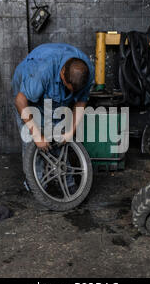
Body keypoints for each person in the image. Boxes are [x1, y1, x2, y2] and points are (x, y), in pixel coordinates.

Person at [12, 43, 94, 189]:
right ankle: (35, 185)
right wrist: (37, 135)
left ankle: (67, 182)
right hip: (28, 94)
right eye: (69, 89)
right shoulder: (41, 70)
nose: (72, 94)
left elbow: (80, 103)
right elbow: (20, 101)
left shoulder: (87, 72)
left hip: (54, 97)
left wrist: (70, 132)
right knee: (31, 139)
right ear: (62, 73)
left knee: (59, 136)